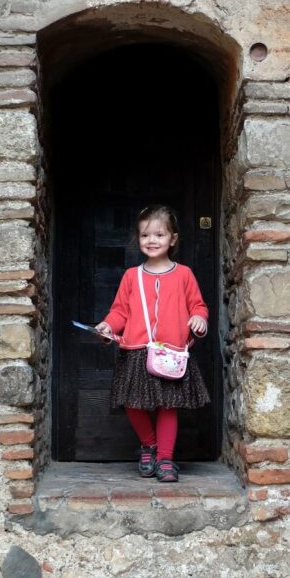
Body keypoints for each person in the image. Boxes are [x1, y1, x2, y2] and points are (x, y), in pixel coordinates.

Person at [95, 205, 210, 483]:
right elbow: (120, 311)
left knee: (168, 406)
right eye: (145, 235)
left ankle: (165, 459)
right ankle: (149, 445)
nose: (152, 240)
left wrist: (199, 319)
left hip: (171, 351)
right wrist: (108, 325)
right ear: (138, 239)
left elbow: (198, 305)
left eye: (159, 234)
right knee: (133, 403)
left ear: (173, 239)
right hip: (136, 351)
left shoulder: (184, 274)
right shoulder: (131, 276)